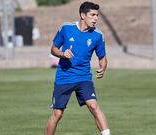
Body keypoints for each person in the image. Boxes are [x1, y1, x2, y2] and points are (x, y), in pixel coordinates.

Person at [44, 1, 110, 135]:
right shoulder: (66, 28)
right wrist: (63, 54)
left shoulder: (98, 35)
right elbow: (53, 49)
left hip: (84, 77)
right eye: (92, 15)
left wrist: (103, 68)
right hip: (64, 77)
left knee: (94, 106)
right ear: (82, 15)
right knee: (57, 114)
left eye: (97, 15)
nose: (96, 18)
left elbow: (102, 57)